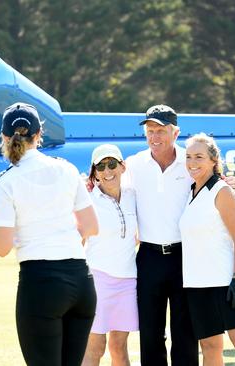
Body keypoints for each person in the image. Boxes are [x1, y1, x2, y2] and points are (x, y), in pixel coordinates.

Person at [124, 104, 235, 366]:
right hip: (149, 258)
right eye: (150, 131)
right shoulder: (134, 165)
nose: (155, 137)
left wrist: (227, 184)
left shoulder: (190, 162)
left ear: (175, 133)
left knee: (185, 332)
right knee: (151, 334)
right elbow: (110, 186)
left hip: (184, 259)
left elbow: (215, 185)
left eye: (161, 131)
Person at [0, 102, 99, 366]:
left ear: (4, 137)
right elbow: (91, 227)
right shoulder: (67, 169)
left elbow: (0, 247)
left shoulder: (4, 182)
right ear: (39, 134)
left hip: (41, 285)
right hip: (81, 281)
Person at [179, 133, 235, 366]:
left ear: (213, 160)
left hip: (226, 284)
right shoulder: (190, 193)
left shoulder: (222, 191)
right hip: (197, 286)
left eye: (199, 156)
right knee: (210, 348)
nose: (192, 162)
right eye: (189, 157)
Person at [82, 144, 138, 366]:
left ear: (122, 167)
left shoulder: (134, 195)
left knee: (119, 347)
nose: (108, 171)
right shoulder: (87, 200)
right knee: (95, 348)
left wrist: (224, 181)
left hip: (127, 282)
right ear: (94, 172)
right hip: (98, 280)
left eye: (112, 164)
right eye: (101, 166)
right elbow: (77, 241)